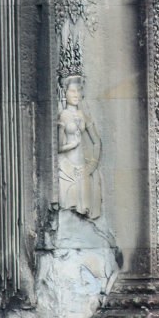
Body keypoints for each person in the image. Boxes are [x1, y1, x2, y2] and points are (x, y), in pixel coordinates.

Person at [58, 75, 101, 219]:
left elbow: (97, 141)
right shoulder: (63, 116)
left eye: (78, 91)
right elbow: (58, 147)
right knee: (68, 211)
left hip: (82, 168)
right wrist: (72, 144)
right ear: (65, 93)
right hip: (66, 169)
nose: (76, 95)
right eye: (72, 91)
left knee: (84, 210)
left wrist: (93, 164)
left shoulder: (83, 115)